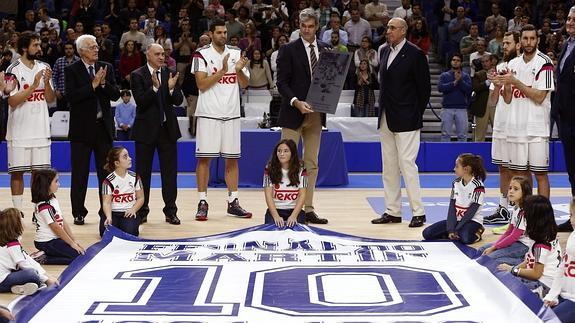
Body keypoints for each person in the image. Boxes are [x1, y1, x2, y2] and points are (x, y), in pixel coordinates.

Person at [371, 17, 430, 228]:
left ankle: (418, 212)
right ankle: (393, 211)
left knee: (407, 165)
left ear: (403, 31)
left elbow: (424, 90)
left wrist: (415, 113)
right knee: (388, 166)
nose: (388, 31)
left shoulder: (416, 54)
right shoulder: (384, 51)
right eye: (387, 28)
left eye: (393, 28)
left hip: (407, 118)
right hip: (386, 116)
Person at [192, 21, 251, 221]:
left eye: (225, 32)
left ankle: (233, 201)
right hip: (208, 113)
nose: (222, 35)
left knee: (232, 160)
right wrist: (223, 71)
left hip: (232, 113)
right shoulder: (201, 54)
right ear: (211, 33)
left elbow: (244, 84)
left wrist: (240, 70)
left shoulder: (236, 52)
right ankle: (202, 202)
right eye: (219, 32)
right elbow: (201, 84)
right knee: (204, 160)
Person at [277, 8, 330, 225]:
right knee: (285, 161)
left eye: (310, 26)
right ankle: (284, 208)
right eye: (303, 26)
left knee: (311, 163)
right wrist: (296, 102)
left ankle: (308, 209)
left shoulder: (327, 50)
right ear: (299, 27)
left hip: (316, 115)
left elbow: (331, 82)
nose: (307, 30)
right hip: (292, 112)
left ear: (316, 27)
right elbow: (281, 83)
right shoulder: (287, 49)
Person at [66, 34, 120, 226]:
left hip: (102, 129)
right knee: (79, 174)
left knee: (105, 174)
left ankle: (104, 212)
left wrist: (103, 84)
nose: (96, 49)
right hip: (81, 130)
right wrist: (93, 85)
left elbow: (115, 95)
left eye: (96, 46)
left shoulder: (107, 67)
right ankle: (78, 212)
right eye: (91, 47)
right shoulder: (71, 69)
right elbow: (71, 97)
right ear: (81, 51)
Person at [130, 43, 182, 225]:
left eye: (163, 54)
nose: (162, 57)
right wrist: (154, 88)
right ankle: (142, 211)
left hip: (167, 131)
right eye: (158, 54)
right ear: (148, 56)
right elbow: (142, 102)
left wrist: (170, 88)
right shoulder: (137, 75)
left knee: (170, 173)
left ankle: (171, 211)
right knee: (143, 174)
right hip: (145, 132)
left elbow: (178, 101)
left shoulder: (170, 72)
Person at [500, 24, 554, 199]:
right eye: (525, 38)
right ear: (520, 41)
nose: (529, 42)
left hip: (537, 129)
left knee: (540, 175)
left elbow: (539, 96)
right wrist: (506, 85)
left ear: (537, 40)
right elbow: (507, 99)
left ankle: (543, 217)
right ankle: (525, 216)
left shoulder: (544, 62)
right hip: (516, 128)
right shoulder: (513, 63)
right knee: (520, 175)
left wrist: (515, 82)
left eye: (532, 38)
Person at [5, 31, 55, 213]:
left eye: (39, 45)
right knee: (17, 173)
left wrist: (47, 83)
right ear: (25, 47)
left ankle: (38, 212)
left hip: (40, 129)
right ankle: (17, 212)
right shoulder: (13, 70)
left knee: (40, 175)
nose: (39, 48)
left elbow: (50, 99)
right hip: (19, 130)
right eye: (35, 45)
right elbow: (12, 101)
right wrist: (34, 86)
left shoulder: (45, 66)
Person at [483, 31, 521, 226]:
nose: (504, 46)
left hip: (518, 125)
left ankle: (518, 210)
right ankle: (504, 208)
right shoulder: (499, 67)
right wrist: (496, 85)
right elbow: (492, 102)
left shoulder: (521, 67)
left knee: (517, 168)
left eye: (508, 43)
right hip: (500, 124)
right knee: (502, 167)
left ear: (518, 44)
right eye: (503, 43)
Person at [497, 195, 561, 298]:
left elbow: (536, 274)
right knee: (503, 275)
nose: (523, 215)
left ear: (534, 218)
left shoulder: (541, 244)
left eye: (526, 214)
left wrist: (513, 270)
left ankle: (538, 295)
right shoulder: (544, 234)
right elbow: (530, 260)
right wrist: (513, 269)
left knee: (505, 287)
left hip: (543, 284)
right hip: (543, 279)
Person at [422, 153, 486, 244]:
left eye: (456, 166)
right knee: (427, 234)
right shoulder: (455, 183)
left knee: (466, 238)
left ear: (466, 169)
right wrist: (451, 229)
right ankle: (454, 233)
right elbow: (452, 207)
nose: (454, 169)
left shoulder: (478, 186)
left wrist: (457, 228)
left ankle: (477, 232)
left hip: (472, 221)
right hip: (457, 220)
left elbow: (471, 212)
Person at [31, 169, 85, 264]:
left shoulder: (52, 198)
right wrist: (71, 244)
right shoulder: (44, 206)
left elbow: (62, 220)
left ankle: (45, 254)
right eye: (56, 181)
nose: (59, 184)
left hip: (55, 239)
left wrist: (73, 240)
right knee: (77, 257)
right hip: (46, 242)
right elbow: (56, 227)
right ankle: (42, 258)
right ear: (46, 184)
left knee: (80, 253)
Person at [0, 208, 58, 295]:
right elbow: (24, 264)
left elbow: (28, 260)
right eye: (21, 218)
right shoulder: (12, 244)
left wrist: (47, 275)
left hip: (5, 278)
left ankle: (18, 287)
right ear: (15, 224)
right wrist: (46, 279)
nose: (23, 220)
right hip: (2, 281)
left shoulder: (9, 240)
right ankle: (20, 286)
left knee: (33, 274)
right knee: (31, 274)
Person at [553, 6, 575, 233]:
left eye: (574, 19)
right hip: (566, 118)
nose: (570, 22)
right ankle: (574, 217)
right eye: (569, 18)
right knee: (573, 171)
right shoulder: (566, 45)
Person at [477, 176, 533, 265]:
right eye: (510, 188)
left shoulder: (524, 211)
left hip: (525, 246)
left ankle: (523, 262)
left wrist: (494, 248)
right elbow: (508, 233)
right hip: (516, 242)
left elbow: (513, 236)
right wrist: (495, 246)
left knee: (490, 258)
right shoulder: (516, 209)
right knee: (481, 250)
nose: (511, 191)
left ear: (524, 192)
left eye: (516, 189)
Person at [543, 197, 575, 320]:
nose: (571, 220)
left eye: (573, 215)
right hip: (565, 295)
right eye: (570, 215)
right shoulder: (572, 236)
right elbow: (562, 269)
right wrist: (552, 296)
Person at [263, 139, 307, 227]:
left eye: (286, 151)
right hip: (276, 209)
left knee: (297, 231)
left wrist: (294, 216)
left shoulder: (302, 169)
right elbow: (268, 195)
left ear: (292, 153)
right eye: (279, 151)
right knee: (272, 230)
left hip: (295, 210)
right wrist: (276, 216)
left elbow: (303, 195)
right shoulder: (269, 169)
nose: (282, 154)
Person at [102, 147, 144, 236]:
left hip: (128, 212)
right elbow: (106, 203)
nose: (130, 158)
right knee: (105, 233)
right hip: (113, 212)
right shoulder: (108, 181)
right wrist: (109, 217)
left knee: (130, 233)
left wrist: (133, 209)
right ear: (117, 163)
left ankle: (132, 224)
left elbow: (141, 198)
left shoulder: (135, 177)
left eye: (128, 156)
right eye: (125, 157)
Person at [438, 53, 472, 142]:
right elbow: (440, 88)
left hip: (461, 109)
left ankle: (463, 155)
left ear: (461, 62)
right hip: (447, 108)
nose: (455, 62)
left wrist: (460, 81)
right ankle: (445, 153)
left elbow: (468, 89)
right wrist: (453, 83)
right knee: (445, 134)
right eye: (454, 60)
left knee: (462, 135)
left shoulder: (465, 76)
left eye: (458, 60)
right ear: (451, 62)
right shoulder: (444, 75)